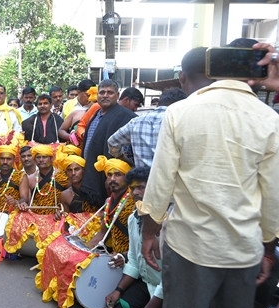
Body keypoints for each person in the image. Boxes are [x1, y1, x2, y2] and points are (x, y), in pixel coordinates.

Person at [137, 46, 279, 308]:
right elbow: (272, 196)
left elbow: (160, 185)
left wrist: (149, 234)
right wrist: (267, 249)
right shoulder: (269, 120)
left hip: (190, 246)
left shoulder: (181, 112)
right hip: (243, 250)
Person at [104, 166, 162, 308]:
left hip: (169, 290)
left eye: (142, 187)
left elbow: (174, 274)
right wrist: (118, 290)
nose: (136, 192)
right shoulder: (133, 218)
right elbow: (135, 262)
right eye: (132, 188)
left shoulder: (168, 222)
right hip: (147, 283)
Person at [80, 79, 136, 208]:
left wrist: (112, 174)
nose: (105, 95)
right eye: (102, 92)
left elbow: (129, 152)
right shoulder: (95, 114)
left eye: (110, 92)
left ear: (117, 94)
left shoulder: (127, 117)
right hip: (91, 172)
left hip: (112, 178)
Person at [107, 88, 186, 168]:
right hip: (169, 178)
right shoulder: (180, 122)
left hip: (141, 178)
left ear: (159, 103)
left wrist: (123, 158)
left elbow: (112, 142)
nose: (136, 109)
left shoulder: (136, 122)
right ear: (180, 105)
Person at [18, 145, 69, 216]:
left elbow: (69, 202)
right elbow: (28, 203)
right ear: (34, 160)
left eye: (44, 157)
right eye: (38, 157)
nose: (41, 160)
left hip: (58, 218)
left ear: (51, 158)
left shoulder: (62, 176)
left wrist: (62, 212)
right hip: (36, 219)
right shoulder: (30, 179)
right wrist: (22, 203)